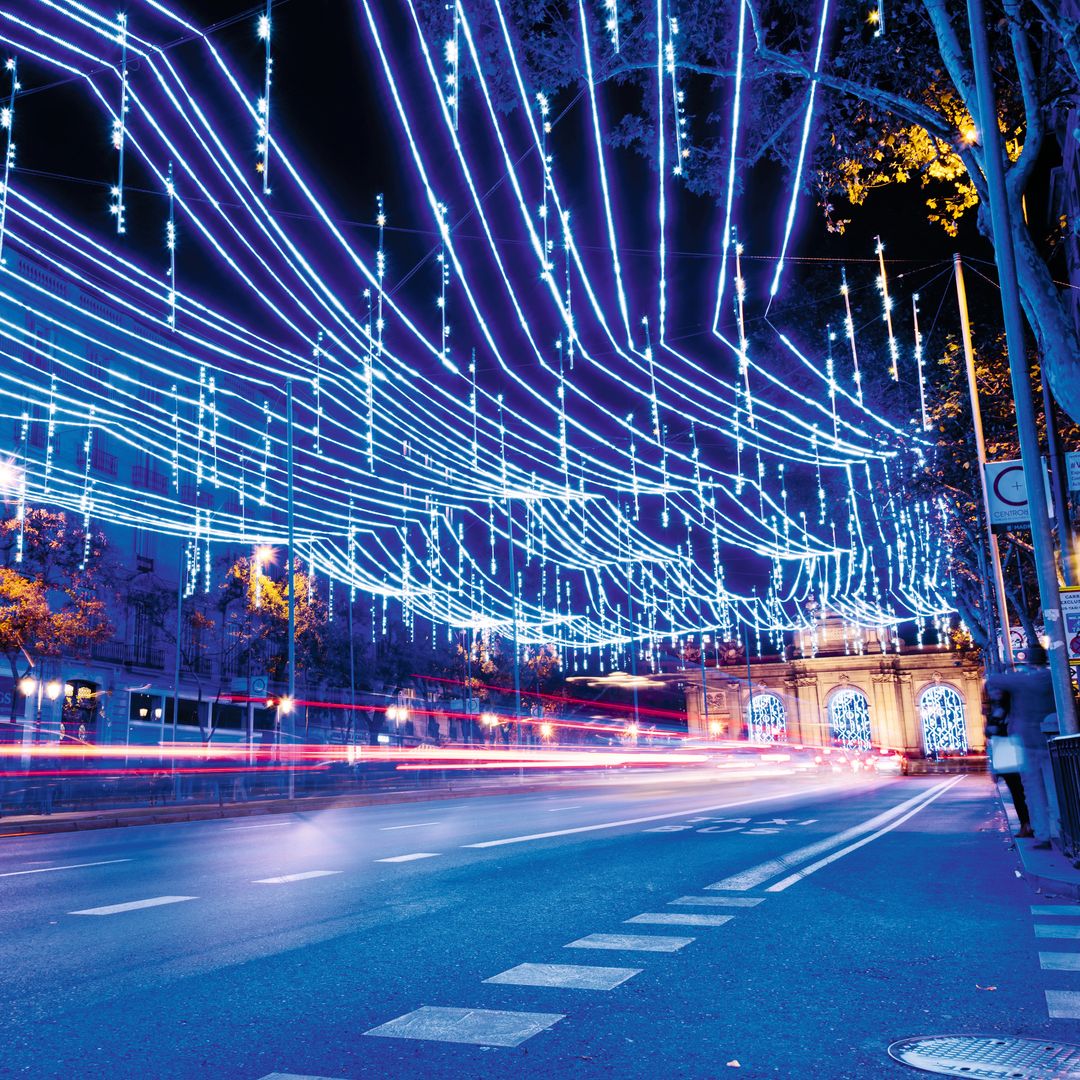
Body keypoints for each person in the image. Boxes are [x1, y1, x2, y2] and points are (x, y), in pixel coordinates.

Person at [985, 645, 1056, 848]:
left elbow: (994, 678)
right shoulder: (1055, 679)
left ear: (1028, 661)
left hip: (1026, 743)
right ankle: (1062, 832)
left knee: (1034, 792)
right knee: (1055, 791)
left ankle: (1042, 834)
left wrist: (1009, 664)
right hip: (1052, 743)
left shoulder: (1024, 681)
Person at [984, 684, 1033, 837]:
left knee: (1023, 791)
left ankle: (1029, 823)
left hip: (1014, 751)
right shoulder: (995, 710)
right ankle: (1025, 824)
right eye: (991, 690)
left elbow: (995, 731)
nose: (994, 693)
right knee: (1017, 792)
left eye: (997, 689)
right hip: (1004, 753)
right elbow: (990, 733)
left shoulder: (1010, 708)